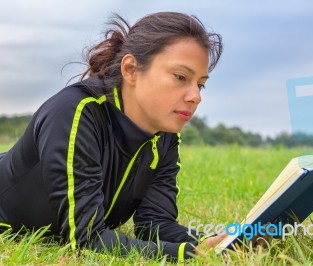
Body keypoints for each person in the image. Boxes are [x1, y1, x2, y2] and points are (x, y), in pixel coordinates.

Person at [0, 12, 224, 262]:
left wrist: (217, 243)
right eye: (181, 77)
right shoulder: (75, 112)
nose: (195, 96)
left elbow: (154, 223)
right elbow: (87, 239)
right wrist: (190, 254)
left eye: (200, 84)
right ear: (130, 69)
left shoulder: (165, 135)